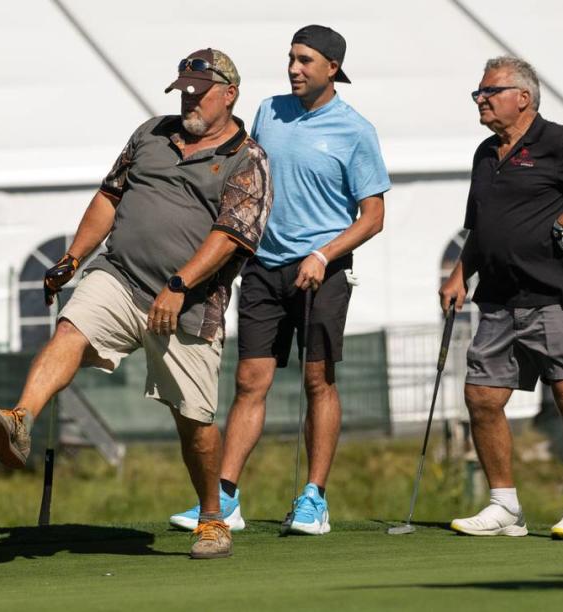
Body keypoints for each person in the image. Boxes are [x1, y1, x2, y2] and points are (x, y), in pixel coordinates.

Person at [0, 48, 272, 559]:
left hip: (189, 304)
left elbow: (231, 237)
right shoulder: (150, 134)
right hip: (120, 275)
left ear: (230, 94)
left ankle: (212, 517)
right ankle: (19, 420)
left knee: (195, 421)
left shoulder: (249, 160)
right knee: (71, 328)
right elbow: (110, 198)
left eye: (200, 92)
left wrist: (178, 286)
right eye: (183, 91)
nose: (190, 100)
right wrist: (71, 259)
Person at [170, 25, 390, 535]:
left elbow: (373, 216)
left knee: (318, 381)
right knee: (250, 382)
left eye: (305, 60)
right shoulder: (268, 111)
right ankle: (224, 497)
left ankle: (314, 498)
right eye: (291, 58)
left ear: (332, 68)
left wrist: (324, 254)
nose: (294, 68)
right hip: (263, 267)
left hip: (322, 270)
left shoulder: (355, 130)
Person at [441, 56, 563, 540]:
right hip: (499, 297)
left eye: (489, 91)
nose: (480, 99)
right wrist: (460, 273)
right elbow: (480, 227)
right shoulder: (486, 154)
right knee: (481, 397)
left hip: (554, 293)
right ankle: (505, 506)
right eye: (478, 93)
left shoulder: (560, 142)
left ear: (522, 97)